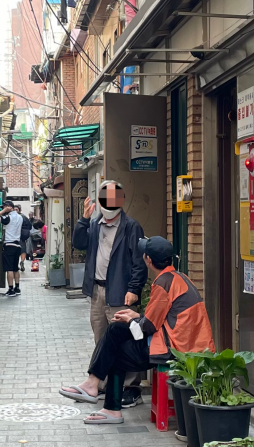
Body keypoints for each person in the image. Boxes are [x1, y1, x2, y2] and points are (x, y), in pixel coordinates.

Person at [60, 236, 215, 424]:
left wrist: (131, 319)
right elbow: (157, 319)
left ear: (148, 260)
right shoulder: (178, 277)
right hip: (180, 342)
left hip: (173, 349)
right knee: (116, 330)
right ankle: (95, 388)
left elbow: (148, 327)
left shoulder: (163, 284)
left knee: (116, 348)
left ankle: (104, 400)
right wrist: (134, 317)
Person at [72, 180, 148, 407]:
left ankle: (131, 387)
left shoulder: (131, 227)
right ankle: (102, 383)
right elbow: (79, 243)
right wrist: (83, 219)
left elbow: (139, 262)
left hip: (121, 292)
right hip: (97, 291)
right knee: (101, 338)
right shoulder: (95, 225)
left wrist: (134, 289)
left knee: (127, 341)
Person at [0, 200, 23, 297]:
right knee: (15, 268)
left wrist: (3, 211)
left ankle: (11, 289)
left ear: (8, 207)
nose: (3, 209)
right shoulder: (20, 217)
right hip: (17, 245)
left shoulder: (8, 217)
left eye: (4, 207)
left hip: (9, 245)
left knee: (9, 268)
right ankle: (17, 287)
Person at [15, 204, 32, 271]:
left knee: (16, 250)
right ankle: (22, 261)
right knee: (23, 250)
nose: (15, 211)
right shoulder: (24, 217)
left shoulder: (13, 217)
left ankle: (17, 263)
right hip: (22, 237)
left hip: (15, 237)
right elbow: (30, 226)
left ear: (19, 210)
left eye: (16, 209)